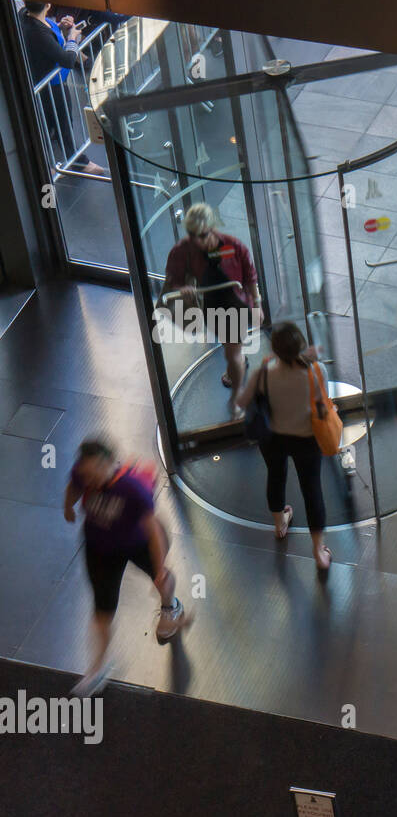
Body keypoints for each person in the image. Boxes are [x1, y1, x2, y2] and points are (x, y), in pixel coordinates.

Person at [63, 439, 190, 695]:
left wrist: (160, 568)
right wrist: (68, 506)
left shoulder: (132, 489)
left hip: (137, 544)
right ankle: (98, 667)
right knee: (102, 607)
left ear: (108, 464)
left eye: (93, 473)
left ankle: (171, 608)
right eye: (85, 474)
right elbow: (74, 487)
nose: (89, 480)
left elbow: (153, 531)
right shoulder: (82, 473)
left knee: (162, 580)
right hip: (100, 548)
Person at [236, 321, 331, 571]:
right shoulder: (316, 372)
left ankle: (280, 525)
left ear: (275, 350)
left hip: (273, 438)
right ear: (301, 346)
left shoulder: (264, 371)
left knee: (275, 477)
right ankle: (318, 551)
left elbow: (242, 400)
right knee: (312, 490)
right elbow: (322, 407)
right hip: (306, 439)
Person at [162, 202, 262, 405]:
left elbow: (251, 277)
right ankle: (237, 364)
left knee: (232, 350)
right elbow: (173, 279)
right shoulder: (183, 250)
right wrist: (182, 288)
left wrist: (257, 304)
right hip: (211, 306)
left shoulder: (233, 246)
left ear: (212, 228)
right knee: (232, 346)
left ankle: (237, 389)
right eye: (192, 234)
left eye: (202, 235)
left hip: (235, 305)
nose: (197, 241)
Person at [18, 0, 105, 176]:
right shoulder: (37, 31)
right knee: (63, 124)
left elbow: (49, 35)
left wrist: (61, 27)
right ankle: (77, 163)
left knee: (50, 125)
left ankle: (46, 160)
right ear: (48, 5)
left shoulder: (27, 18)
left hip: (48, 83)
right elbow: (67, 59)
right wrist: (72, 38)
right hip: (52, 86)